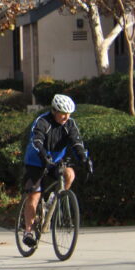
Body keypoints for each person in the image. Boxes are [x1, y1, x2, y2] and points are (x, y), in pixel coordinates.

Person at [21, 93, 92, 247]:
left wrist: (84, 159)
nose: (66, 117)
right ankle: (28, 231)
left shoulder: (70, 125)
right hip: (36, 162)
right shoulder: (43, 122)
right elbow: (36, 140)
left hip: (55, 162)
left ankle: (55, 198)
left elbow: (76, 143)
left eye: (69, 114)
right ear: (54, 111)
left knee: (70, 174)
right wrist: (43, 155)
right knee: (34, 195)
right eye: (63, 113)